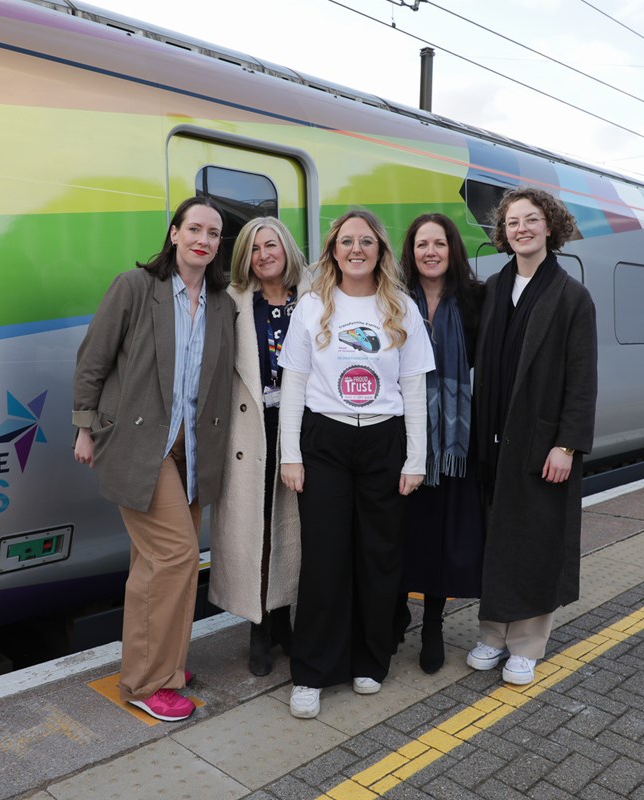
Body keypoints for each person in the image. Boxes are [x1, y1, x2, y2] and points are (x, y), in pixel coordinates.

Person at [72, 196, 235, 722]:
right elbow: (93, 358)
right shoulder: (136, 288)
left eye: (213, 233)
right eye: (195, 228)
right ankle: (146, 682)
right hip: (141, 447)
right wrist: (84, 427)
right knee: (176, 558)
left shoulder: (221, 302)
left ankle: (166, 664)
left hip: (193, 451)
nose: (203, 240)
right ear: (173, 233)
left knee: (160, 564)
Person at [278, 209, 435, 719]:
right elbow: (294, 386)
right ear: (334, 250)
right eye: (347, 241)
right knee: (324, 558)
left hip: (384, 444)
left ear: (380, 250)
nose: (356, 249)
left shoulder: (401, 308)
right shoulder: (311, 306)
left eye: (366, 241)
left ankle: (371, 660)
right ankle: (312, 673)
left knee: (378, 555)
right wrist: (291, 454)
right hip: (325, 441)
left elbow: (414, 389)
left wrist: (416, 458)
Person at [469, 187, 597, 686]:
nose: (520, 228)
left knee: (536, 540)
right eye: (512, 222)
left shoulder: (571, 296)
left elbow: (582, 379)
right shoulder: (495, 288)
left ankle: (527, 644)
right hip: (493, 438)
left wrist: (567, 445)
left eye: (531, 219)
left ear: (551, 227)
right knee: (496, 537)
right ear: (503, 233)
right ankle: (492, 634)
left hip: (542, 442)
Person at [210, 217, 310, 676]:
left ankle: (285, 619)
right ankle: (259, 627)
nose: (264, 254)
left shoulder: (315, 299)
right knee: (261, 528)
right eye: (253, 249)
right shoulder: (232, 303)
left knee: (297, 529)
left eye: (271, 245)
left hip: (307, 428)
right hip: (251, 431)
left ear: (286, 248)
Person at [395, 213, 485, 674]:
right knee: (396, 532)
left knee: (437, 536)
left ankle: (432, 623)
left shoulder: (475, 300)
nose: (430, 252)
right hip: (398, 437)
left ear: (452, 249)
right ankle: (395, 612)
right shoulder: (390, 300)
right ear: (410, 252)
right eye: (421, 244)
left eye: (439, 243)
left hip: (452, 444)